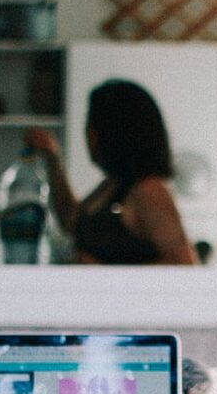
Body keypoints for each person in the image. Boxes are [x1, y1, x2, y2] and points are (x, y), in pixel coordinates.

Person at [23, 80, 197, 265]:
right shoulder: (114, 185)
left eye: (90, 124)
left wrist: (106, 273)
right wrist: (53, 157)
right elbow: (71, 220)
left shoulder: (148, 190)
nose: (87, 134)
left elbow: (184, 263)